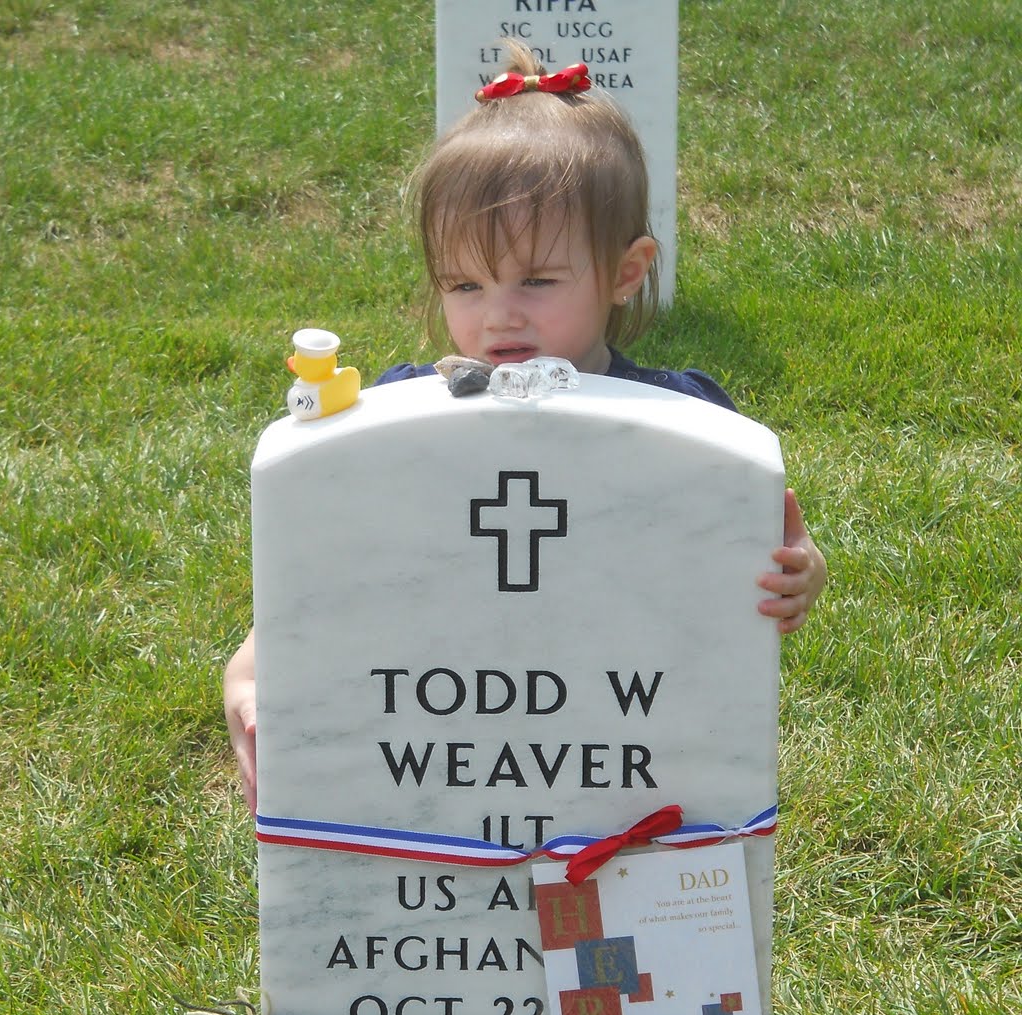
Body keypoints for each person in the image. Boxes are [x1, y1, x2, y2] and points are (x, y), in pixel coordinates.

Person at [224, 45, 826, 814]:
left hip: (618, 755)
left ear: (626, 271)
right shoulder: (396, 426)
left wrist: (801, 573)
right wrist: (250, 670)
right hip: (438, 750)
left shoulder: (687, 427)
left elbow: (743, 566)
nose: (499, 314)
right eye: (465, 285)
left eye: (537, 281)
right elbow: (324, 575)